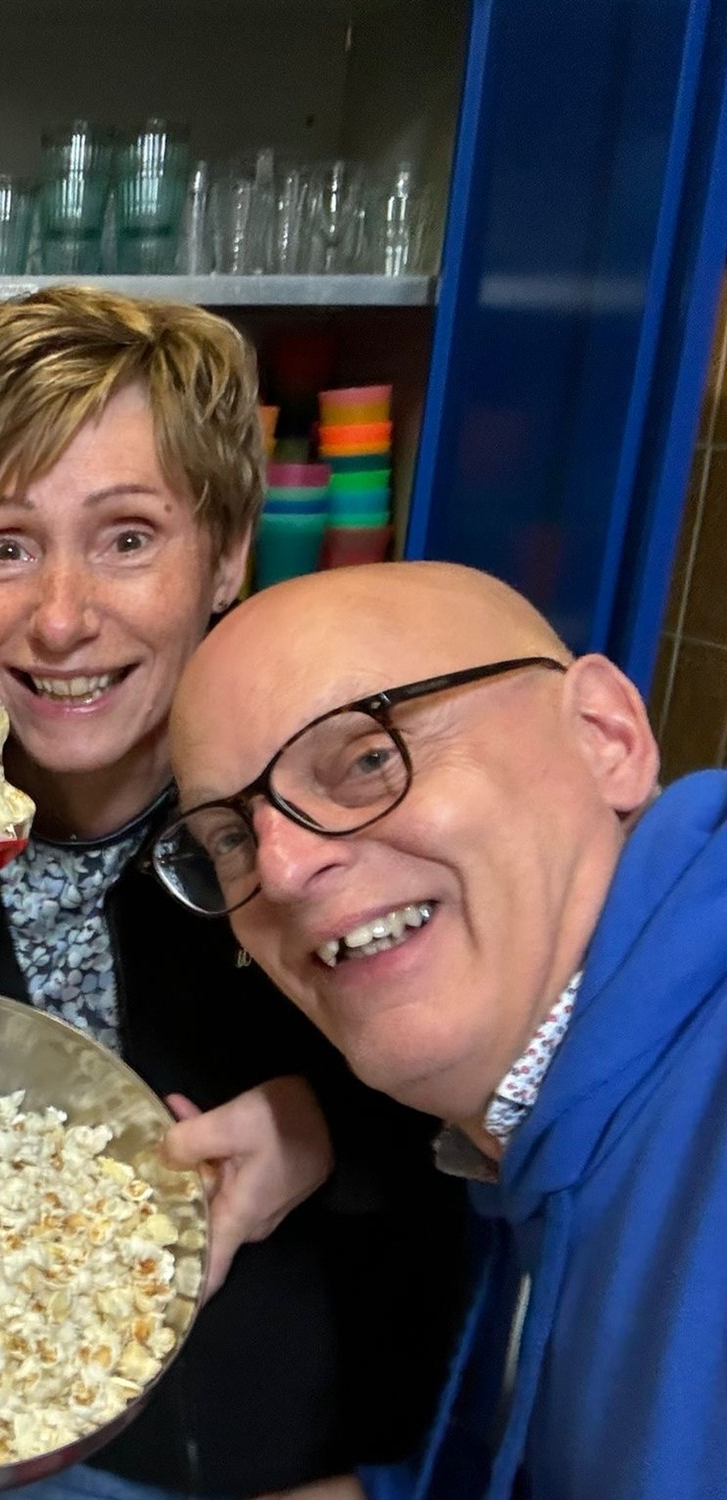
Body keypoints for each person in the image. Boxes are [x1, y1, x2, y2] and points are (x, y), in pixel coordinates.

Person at [0, 287, 463, 1499]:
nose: (59, 620)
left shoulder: (338, 809)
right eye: (4, 546)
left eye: (126, 538)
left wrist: (323, 1127)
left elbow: (505, 1097)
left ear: (225, 555)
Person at [158, 561, 723, 1500]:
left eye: (366, 760)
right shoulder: (518, 1131)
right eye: (230, 838)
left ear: (606, 735)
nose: (283, 869)